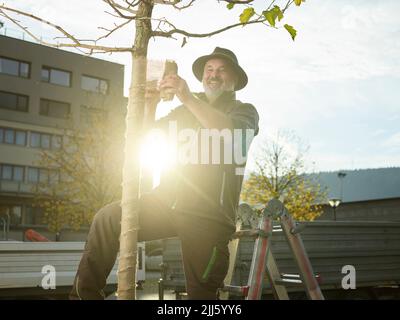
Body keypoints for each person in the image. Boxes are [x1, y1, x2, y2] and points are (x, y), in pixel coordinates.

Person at [69, 47, 259, 300]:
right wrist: (151, 104)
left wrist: (187, 97)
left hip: (208, 215)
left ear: (235, 80)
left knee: (202, 297)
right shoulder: (184, 111)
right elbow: (147, 137)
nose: (213, 75)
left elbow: (230, 135)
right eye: (209, 70)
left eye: (222, 70)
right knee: (108, 218)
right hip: (165, 202)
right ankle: (84, 296)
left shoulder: (244, 111)